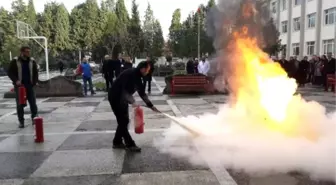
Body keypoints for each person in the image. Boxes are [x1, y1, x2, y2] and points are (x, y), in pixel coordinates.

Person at [108, 61, 159, 152]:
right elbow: (124, 90)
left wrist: (151, 106)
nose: (148, 72)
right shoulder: (131, 74)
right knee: (123, 121)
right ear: (142, 68)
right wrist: (132, 101)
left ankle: (117, 142)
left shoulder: (137, 76)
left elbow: (142, 93)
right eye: (147, 70)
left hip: (121, 99)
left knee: (123, 121)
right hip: (115, 98)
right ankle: (130, 144)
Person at [7, 46, 39, 128]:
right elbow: (10, 72)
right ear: (22, 52)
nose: (28, 53)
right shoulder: (15, 61)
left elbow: (36, 72)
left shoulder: (32, 61)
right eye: (26, 52)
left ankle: (34, 118)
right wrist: (16, 80)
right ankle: (21, 121)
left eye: (29, 51)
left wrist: (35, 82)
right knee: (20, 104)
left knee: (33, 103)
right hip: (20, 87)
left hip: (30, 85)